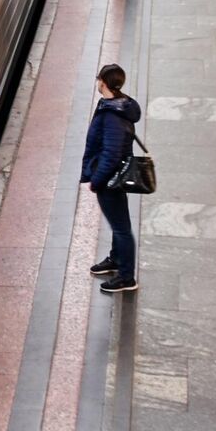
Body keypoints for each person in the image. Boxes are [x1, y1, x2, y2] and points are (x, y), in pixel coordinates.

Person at [83, 63, 142, 294]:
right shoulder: (118, 104)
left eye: (99, 79)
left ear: (103, 83)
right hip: (113, 176)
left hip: (111, 179)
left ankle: (127, 277)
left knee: (121, 228)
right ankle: (116, 260)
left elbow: (111, 153)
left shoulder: (112, 116)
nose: (97, 82)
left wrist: (96, 180)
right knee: (119, 224)